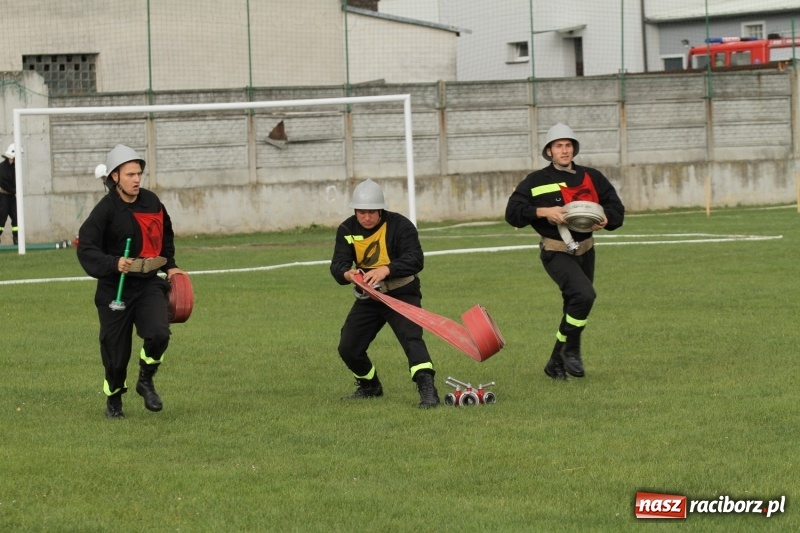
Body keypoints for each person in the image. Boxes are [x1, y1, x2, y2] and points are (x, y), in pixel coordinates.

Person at [505, 123, 625, 380]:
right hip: (556, 251)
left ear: (574, 149)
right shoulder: (536, 180)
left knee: (574, 305)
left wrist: (607, 219)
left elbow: (616, 207)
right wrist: (543, 211)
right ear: (549, 150)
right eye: (558, 146)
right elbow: (512, 213)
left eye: (568, 145)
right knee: (584, 295)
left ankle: (554, 362)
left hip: (586, 251)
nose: (564, 150)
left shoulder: (592, 177)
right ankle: (571, 350)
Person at [77, 144, 187, 419]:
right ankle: (114, 398)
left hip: (149, 283)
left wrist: (170, 266)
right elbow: (87, 247)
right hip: (116, 288)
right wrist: (113, 263)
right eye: (130, 174)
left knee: (159, 333)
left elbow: (166, 235)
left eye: (138, 173)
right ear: (115, 177)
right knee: (115, 354)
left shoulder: (151, 202)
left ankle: (145, 380)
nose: (137, 179)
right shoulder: (105, 210)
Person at [330, 179, 440, 408]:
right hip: (369, 297)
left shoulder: (401, 226)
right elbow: (338, 264)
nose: (366, 218)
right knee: (348, 347)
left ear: (381, 209)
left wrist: (386, 270)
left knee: (412, 339)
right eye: (361, 212)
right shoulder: (347, 229)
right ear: (355, 211)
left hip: (402, 292)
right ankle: (370, 386)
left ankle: (428, 391)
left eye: (371, 212)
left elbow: (416, 259)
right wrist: (348, 275)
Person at [0, 143, 18, 245]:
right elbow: (3, 182)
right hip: (4, 197)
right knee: (2, 218)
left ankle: (16, 237)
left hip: (12, 197)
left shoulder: (14, 168)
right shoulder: (2, 167)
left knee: (16, 218)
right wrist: (14, 189)